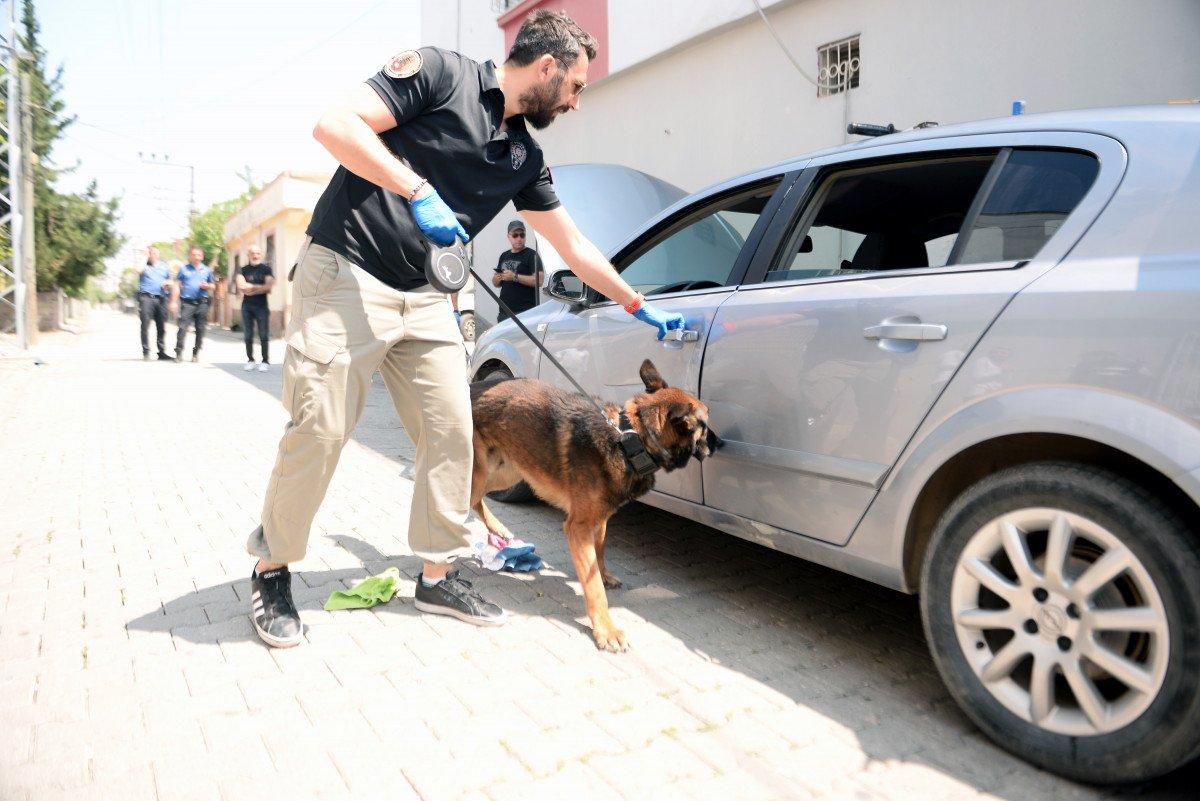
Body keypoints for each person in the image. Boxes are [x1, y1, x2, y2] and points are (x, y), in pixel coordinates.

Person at [245, 9, 684, 649]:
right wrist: (414, 188)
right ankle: (273, 568)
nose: (577, 103)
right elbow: (333, 125)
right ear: (546, 67)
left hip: (426, 294)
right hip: (347, 270)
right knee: (320, 426)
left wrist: (637, 303)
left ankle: (436, 574)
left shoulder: (524, 157)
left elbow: (573, 244)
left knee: (453, 430)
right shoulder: (441, 74)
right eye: (577, 87)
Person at [171, 246, 216, 363]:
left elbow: (213, 286)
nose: (196, 257)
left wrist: (208, 286)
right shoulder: (183, 269)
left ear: (202, 256)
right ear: (190, 256)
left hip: (202, 303)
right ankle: (178, 352)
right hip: (187, 303)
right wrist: (173, 301)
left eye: (199, 255)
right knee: (182, 328)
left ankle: (195, 353)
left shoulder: (207, 270)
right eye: (194, 255)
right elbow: (177, 285)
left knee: (200, 329)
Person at [492, 219, 543, 320]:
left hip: (526, 312)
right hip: (504, 312)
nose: (519, 238)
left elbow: (539, 281)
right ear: (509, 237)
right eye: (515, 235)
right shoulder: (504, 255)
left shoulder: (532, 255)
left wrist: (514, 277)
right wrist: (497, 279)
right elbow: (496, 284)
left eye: (522, 235)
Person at [237, 244, 275, 371]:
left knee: (263, 335)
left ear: (261, 254)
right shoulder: (242, 270)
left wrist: (251, 288)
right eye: (253, 253)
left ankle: (265, 361)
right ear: (248, 255)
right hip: (247, 307)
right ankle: (250, 360)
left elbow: (269, 286)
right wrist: (260, 287)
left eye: (258, 253)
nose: (255, 255)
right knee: (248, 335)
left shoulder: (266, 270)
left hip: (262, 307)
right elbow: (241, 286)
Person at [136, 245, 172, 361]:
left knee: (162, 327)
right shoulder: (144, 266)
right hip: (146, 298)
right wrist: (143, 256)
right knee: (145, 326)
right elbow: (137, 270)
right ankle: (146, 352)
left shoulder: (164, 267)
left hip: (161, 299)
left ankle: (161, 352)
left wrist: (168, 283)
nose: (154, 255)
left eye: (156, 253)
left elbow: (170, 280)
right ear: (148, 254)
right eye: (151, 253)